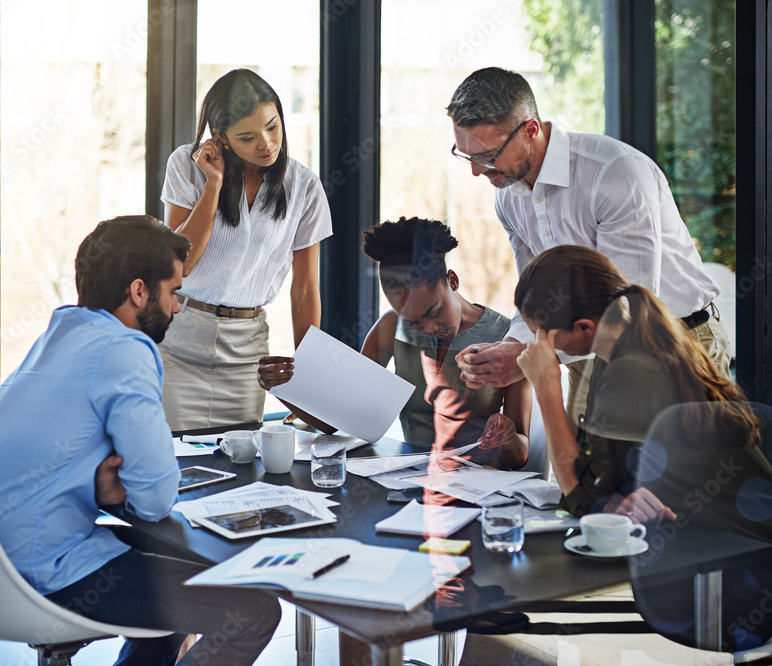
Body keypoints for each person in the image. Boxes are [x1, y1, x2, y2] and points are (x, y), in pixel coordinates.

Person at [0, 216, 281, 666]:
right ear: (138, 291)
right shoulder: (126, 349)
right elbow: (154, 500)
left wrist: (106, 492)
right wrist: (122, 491)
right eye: (173, 291)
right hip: (45, 573)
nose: (177, 308)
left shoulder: (60, 334)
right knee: (254, 610)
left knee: (178, 590)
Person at [445, 66, 729, 428]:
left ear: (531, 129)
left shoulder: (614, 174)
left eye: (487, 156)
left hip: (674, 343)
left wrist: (525, 358)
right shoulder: (509, 196)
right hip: (584, 353)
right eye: (466, 155)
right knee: (580, 478)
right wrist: (513, 345)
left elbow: (629, 309)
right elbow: (536, 301)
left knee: (676, 481)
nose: (476, 172)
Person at [259, 217, 530, 469]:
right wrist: (283, 388)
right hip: (407, 477)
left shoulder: (508, 338)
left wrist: (506, 435)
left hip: (481, 485)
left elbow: (519, 456)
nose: (429, 329)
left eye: (434, 313)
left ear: (452, 280)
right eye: (412, 322)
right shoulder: (390, 328)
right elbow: (340, 420)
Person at [513, 245, 758, 519]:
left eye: (540, 335)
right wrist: (602, 497)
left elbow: (584, 500)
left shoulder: (632, 370)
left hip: (721, 538)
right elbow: (594, 481)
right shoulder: (616, 353)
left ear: (584, 327)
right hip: (689, 527)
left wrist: (547, 388)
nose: (536, 345)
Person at [159, 68, 332, 431]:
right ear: (220, 137)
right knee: (177, 465)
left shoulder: (304, 187)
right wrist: (213, 184)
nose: (266, 144)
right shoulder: (186, 167)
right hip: (178, 345)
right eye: (248, 136)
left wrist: (308, 383)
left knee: (241, 468)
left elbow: (305, 290)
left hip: (247, 350)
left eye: (272, 126)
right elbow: (181, 263)